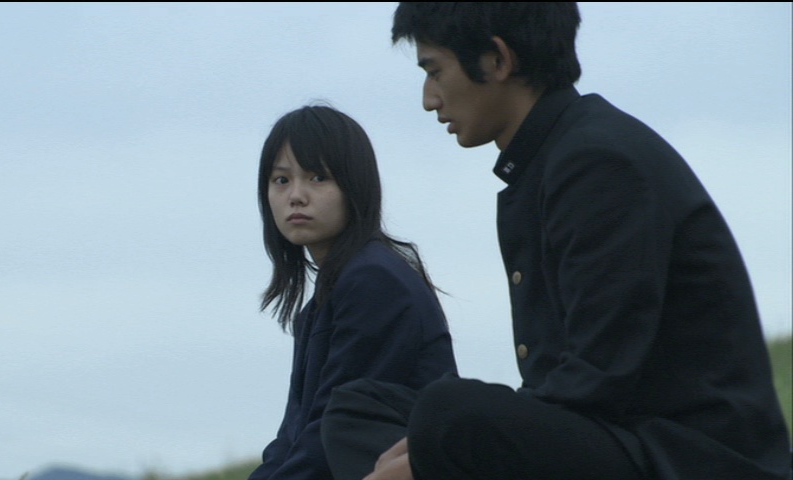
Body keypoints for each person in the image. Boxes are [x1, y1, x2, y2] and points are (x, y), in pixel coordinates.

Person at [326, 3, 791, 479]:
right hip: (617, 434)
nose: (429, 99)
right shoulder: (550, 161)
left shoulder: (598, 161)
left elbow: (597, 378)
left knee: (450, 413)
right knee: (358, 408)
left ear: (497, 60)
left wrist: (432, 455)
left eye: (434, 71)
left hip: (685, 456)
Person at [247, 104, 458, 480]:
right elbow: (292, 437)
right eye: (281, 180)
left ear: (354, 186)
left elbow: (326, 439)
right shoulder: (326, 298)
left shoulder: (375, 282)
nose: (296, 196)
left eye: (318, 177)